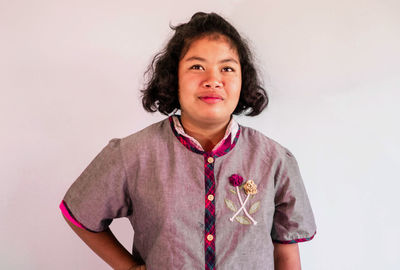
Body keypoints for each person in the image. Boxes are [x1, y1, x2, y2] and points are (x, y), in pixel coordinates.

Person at [60, 12, 316, 270]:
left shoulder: (274, 160)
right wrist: (129, 267)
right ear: (174, 78)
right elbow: (80, 212)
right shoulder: (133, 154)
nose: (213, 80)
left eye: (227, 68)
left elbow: (286, 253)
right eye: (196, 67)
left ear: (243, 80)